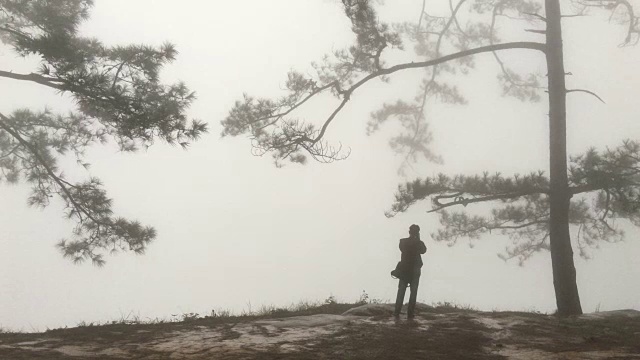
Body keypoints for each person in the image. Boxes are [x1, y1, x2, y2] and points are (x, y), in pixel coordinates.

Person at [394, 224, 427, 319]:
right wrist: (418, 240)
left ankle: (397, 312)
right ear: (417, 233)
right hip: (415, 269)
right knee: (413, 292)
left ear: (409, 232)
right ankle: (410, 313)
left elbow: (403, 249)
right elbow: (423, 251)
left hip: (405, 269)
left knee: (401, 291)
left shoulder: (403, 242)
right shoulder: (419, 243)